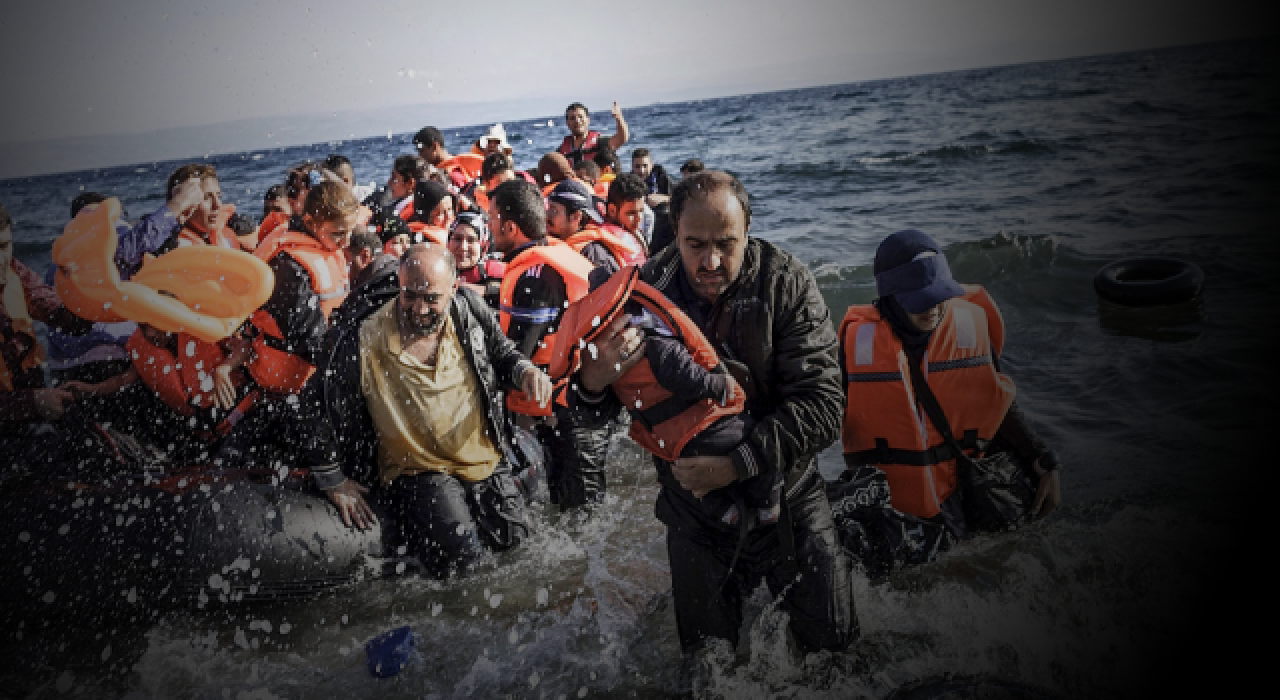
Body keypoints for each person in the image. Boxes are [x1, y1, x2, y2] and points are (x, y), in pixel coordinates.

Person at [563, 171, 856, 680]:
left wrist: (738, 463)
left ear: (748, 231)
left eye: (727, 244)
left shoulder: (786, 283)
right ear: (674, 231)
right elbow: (589, 417)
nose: (711, 261)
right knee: (707, 675)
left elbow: (826, 406)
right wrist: (591, 380)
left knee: (837, 665)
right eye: (695, 244)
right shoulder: (642, 292)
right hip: (694, 515)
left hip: (790, 498)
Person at [306, 244, 545, 578]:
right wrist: (332, 479)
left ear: (454, 289)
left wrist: (525, 371)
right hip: (421, 472)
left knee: (519, 552)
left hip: (485, 461)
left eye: (431, 299)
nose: (419, 309)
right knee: (467, 571)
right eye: (409, 296)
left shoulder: (468, 312)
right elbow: (315, 401)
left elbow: (502, 353)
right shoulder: (364, 337)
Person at [839, 230, 1061, 537]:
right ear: (889, 297)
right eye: (920, 302)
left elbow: (997, 406)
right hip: (894, 510)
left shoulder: (968, 330)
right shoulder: (853, 350)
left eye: (939, 296)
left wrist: (1043, 461)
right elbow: (821, 417)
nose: (932, 309)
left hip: (964, 496)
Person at [488, 179, 606, 510]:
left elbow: (517, 354)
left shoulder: (534, 277)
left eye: (492, 218)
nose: (489, 225)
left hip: (556, 415)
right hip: (581, 402)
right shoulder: (553, 256)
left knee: (572, 510)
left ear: (510, 227)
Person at [246, 181, 356, 397]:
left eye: (349, 232)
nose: (346, 241)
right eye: (338, 233)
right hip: (284, 387)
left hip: (314, 374)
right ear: (309, 222)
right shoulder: (288, 267)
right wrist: (352, 370)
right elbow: (310, 339)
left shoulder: (326, 246)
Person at [1, 203, 95, 426]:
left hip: (28, 419)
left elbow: (72, 323)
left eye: (3, 246)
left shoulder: (17, 273)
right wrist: (32, 401)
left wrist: (79, 289)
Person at [546, 180, 643, 277]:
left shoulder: (595, 256)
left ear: (576, 217)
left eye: (554, 210)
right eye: (548, 208)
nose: (547, 215)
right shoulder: (554, 243)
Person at [169, 164, 244, 250]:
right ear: (183, 205)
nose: (217, 205)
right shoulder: (171, 247)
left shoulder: (229, 233)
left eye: (219, 197)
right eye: (206, 198)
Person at [448, 210, 503, 309]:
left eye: (471, 240)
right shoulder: (438, 268)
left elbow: (509, 293)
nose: (463, 247)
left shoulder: (491, 272)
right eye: (457, 239)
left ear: (483, 246)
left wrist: (484, 290)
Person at [559, 102, 630, 168]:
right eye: (572, 118)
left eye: (580, 117)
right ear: (567, 123)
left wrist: (619, 117)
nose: (577, 121)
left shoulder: (600, 142)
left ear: (588, 120)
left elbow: (622, 138)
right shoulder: (562, 150)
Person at [605, 173, 651, 253]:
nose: (639, 218)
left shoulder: (635, 231)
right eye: (631, 213)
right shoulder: (603, 248)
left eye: (641, 211)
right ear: (612, 211)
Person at [405, 179, 453, 244]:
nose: (448, 217)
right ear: (425, 216)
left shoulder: (458, 230)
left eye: (450, 209)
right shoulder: (416, 241)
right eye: (440, 213)